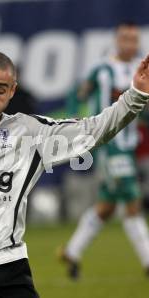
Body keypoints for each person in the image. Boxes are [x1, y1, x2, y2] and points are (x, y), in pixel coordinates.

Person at [0, 50, 149, 298]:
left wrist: (136, 95)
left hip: (6, 266)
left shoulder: (30, 133)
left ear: (12, 91)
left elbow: (93, 130)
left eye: (0, 90)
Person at [60, 22, 149, 280]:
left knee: (106, 207)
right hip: (109, 146)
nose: (129, 44)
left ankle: (72, 252)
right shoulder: (100, 69)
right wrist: (74, 118)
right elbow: (78, 93)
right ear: (116, 40)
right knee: (132, 202)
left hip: (129, 147)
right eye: (125, 39)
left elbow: (142, 113)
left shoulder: (139, 71)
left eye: (133, 40)